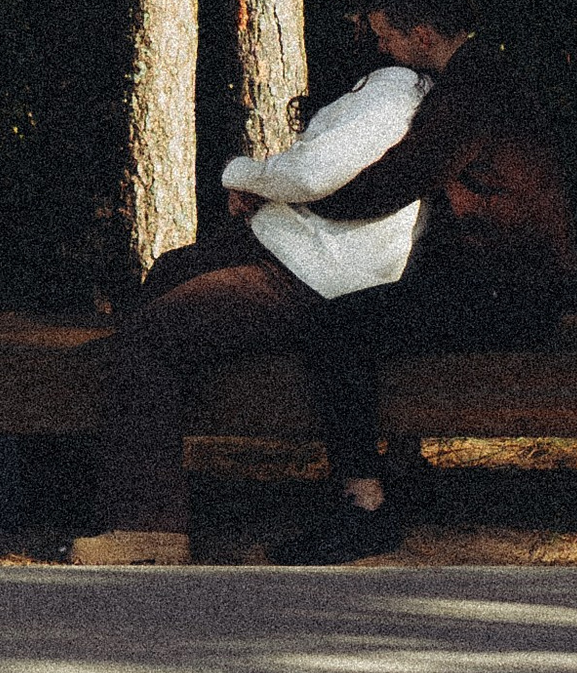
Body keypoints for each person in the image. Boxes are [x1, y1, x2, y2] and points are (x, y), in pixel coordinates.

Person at [63, 51, 428, 565]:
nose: (357, 27)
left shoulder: (391, 92)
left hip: (313, 272)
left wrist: (241, 174)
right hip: (299, 251)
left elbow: (311, 175)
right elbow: (330, 182)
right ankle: (107, 469)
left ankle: (147, 529)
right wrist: (265, 194)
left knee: (154, 335)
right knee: (170, 272)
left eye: (369, 18)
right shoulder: (392, 89)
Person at [287, 0, 577, 560]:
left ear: (420, 33)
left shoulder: (471, 92)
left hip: (513, 295)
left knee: (336, 327)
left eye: (384, 36)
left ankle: (363, 505)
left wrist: (295, 199)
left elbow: (394, 181)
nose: (381, 49)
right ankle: (393, 471)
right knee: (375, 311)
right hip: (509, 283)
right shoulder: (478, 77)